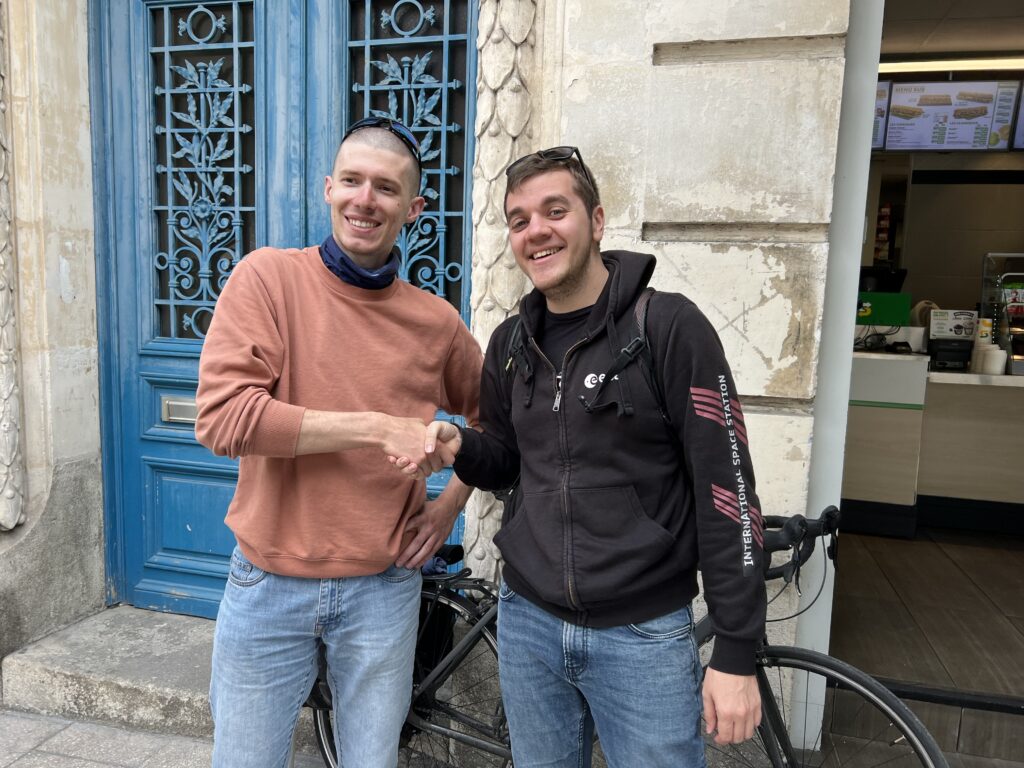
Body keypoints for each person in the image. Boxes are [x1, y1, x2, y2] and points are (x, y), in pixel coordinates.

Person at [392, 146, 766, 767]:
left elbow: (727, 491)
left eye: (554, 210)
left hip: (642, 635)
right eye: (518, 220)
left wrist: (735, 651)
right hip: (528, 624)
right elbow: (509, 464)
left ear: (595, 220)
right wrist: (462, 448)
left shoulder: (669, 327)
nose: (535, 230)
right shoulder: (511, 343)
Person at [194, 117, 482, 768]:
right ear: (328, 188)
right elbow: (222, 420)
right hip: (268, 584)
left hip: (384, 590)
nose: (364, 199)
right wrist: (377, 425)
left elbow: (500, 419)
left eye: (386, 188)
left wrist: (445, 510)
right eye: (351, 180)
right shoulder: (267, 280)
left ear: (414, 209)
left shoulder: (436, 324)